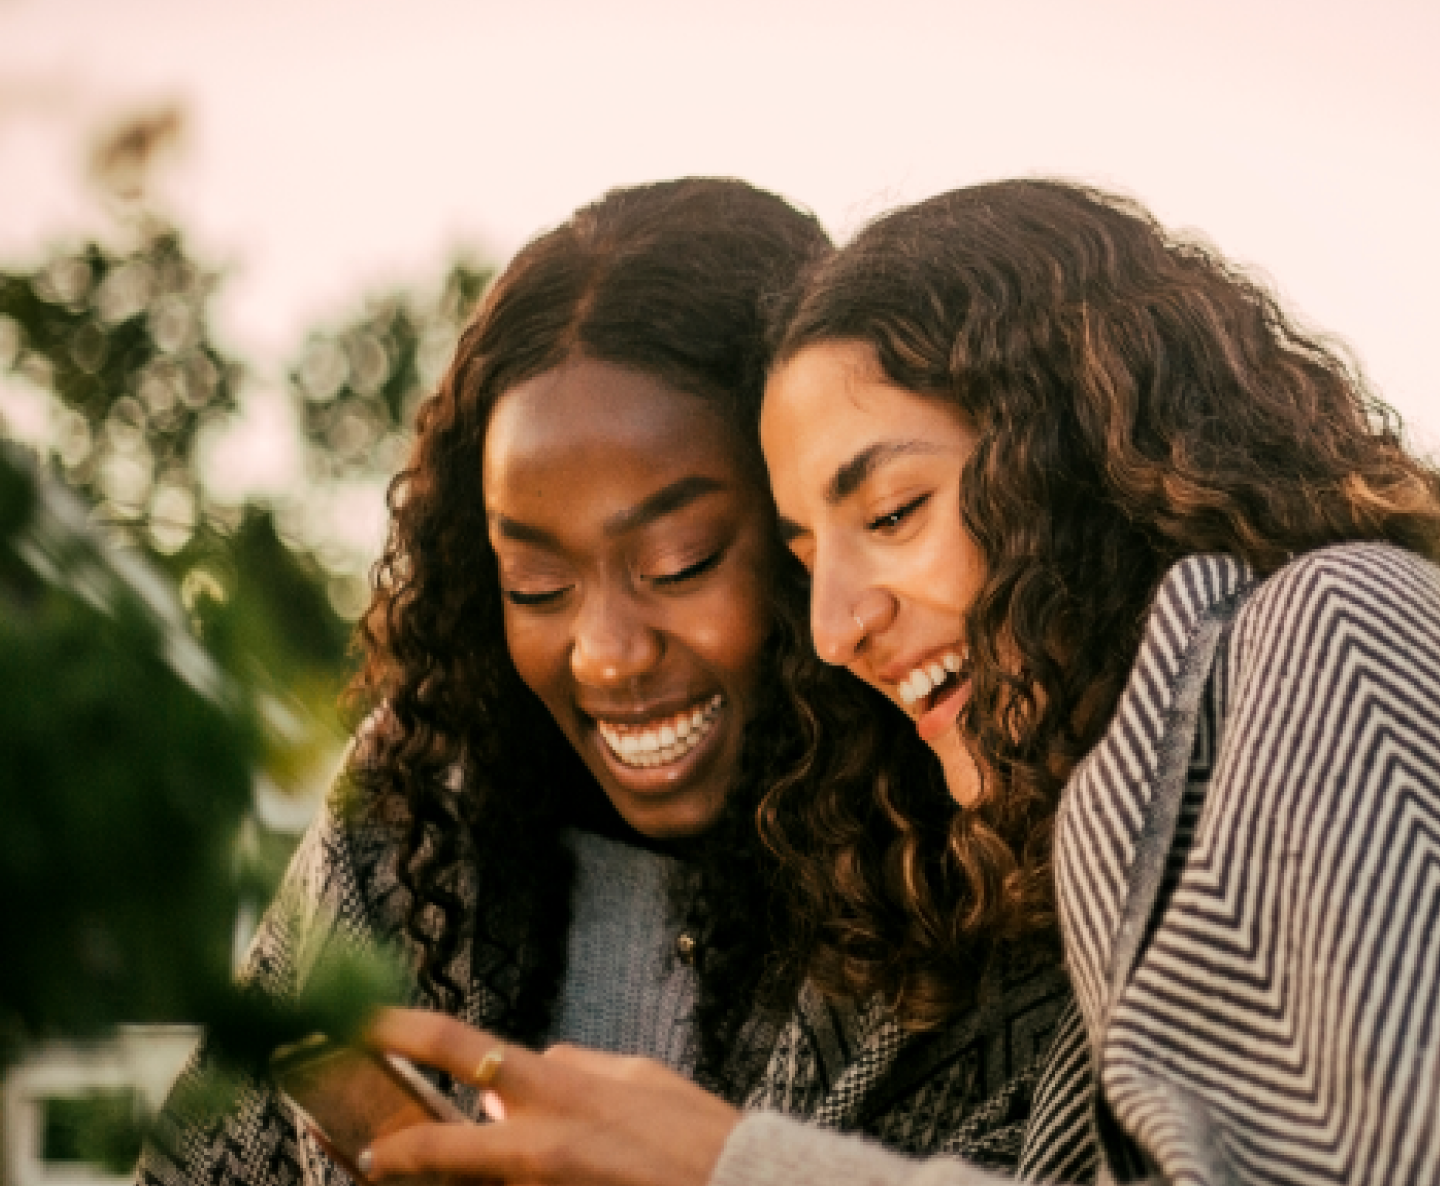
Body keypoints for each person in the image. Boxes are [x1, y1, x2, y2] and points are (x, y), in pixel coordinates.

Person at [359, 179, 1440, 1185]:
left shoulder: (1330, 621)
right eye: (804, 559)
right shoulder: (1087, 862)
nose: (833, 630)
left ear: (1077, 453)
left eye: (890, 514)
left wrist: (730, 1165)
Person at [137, 178, 1067, 1186]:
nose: (606, 653)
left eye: (680, 562)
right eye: (535, 581)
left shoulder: (995, 855)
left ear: (806, 539)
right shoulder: (417, 808)